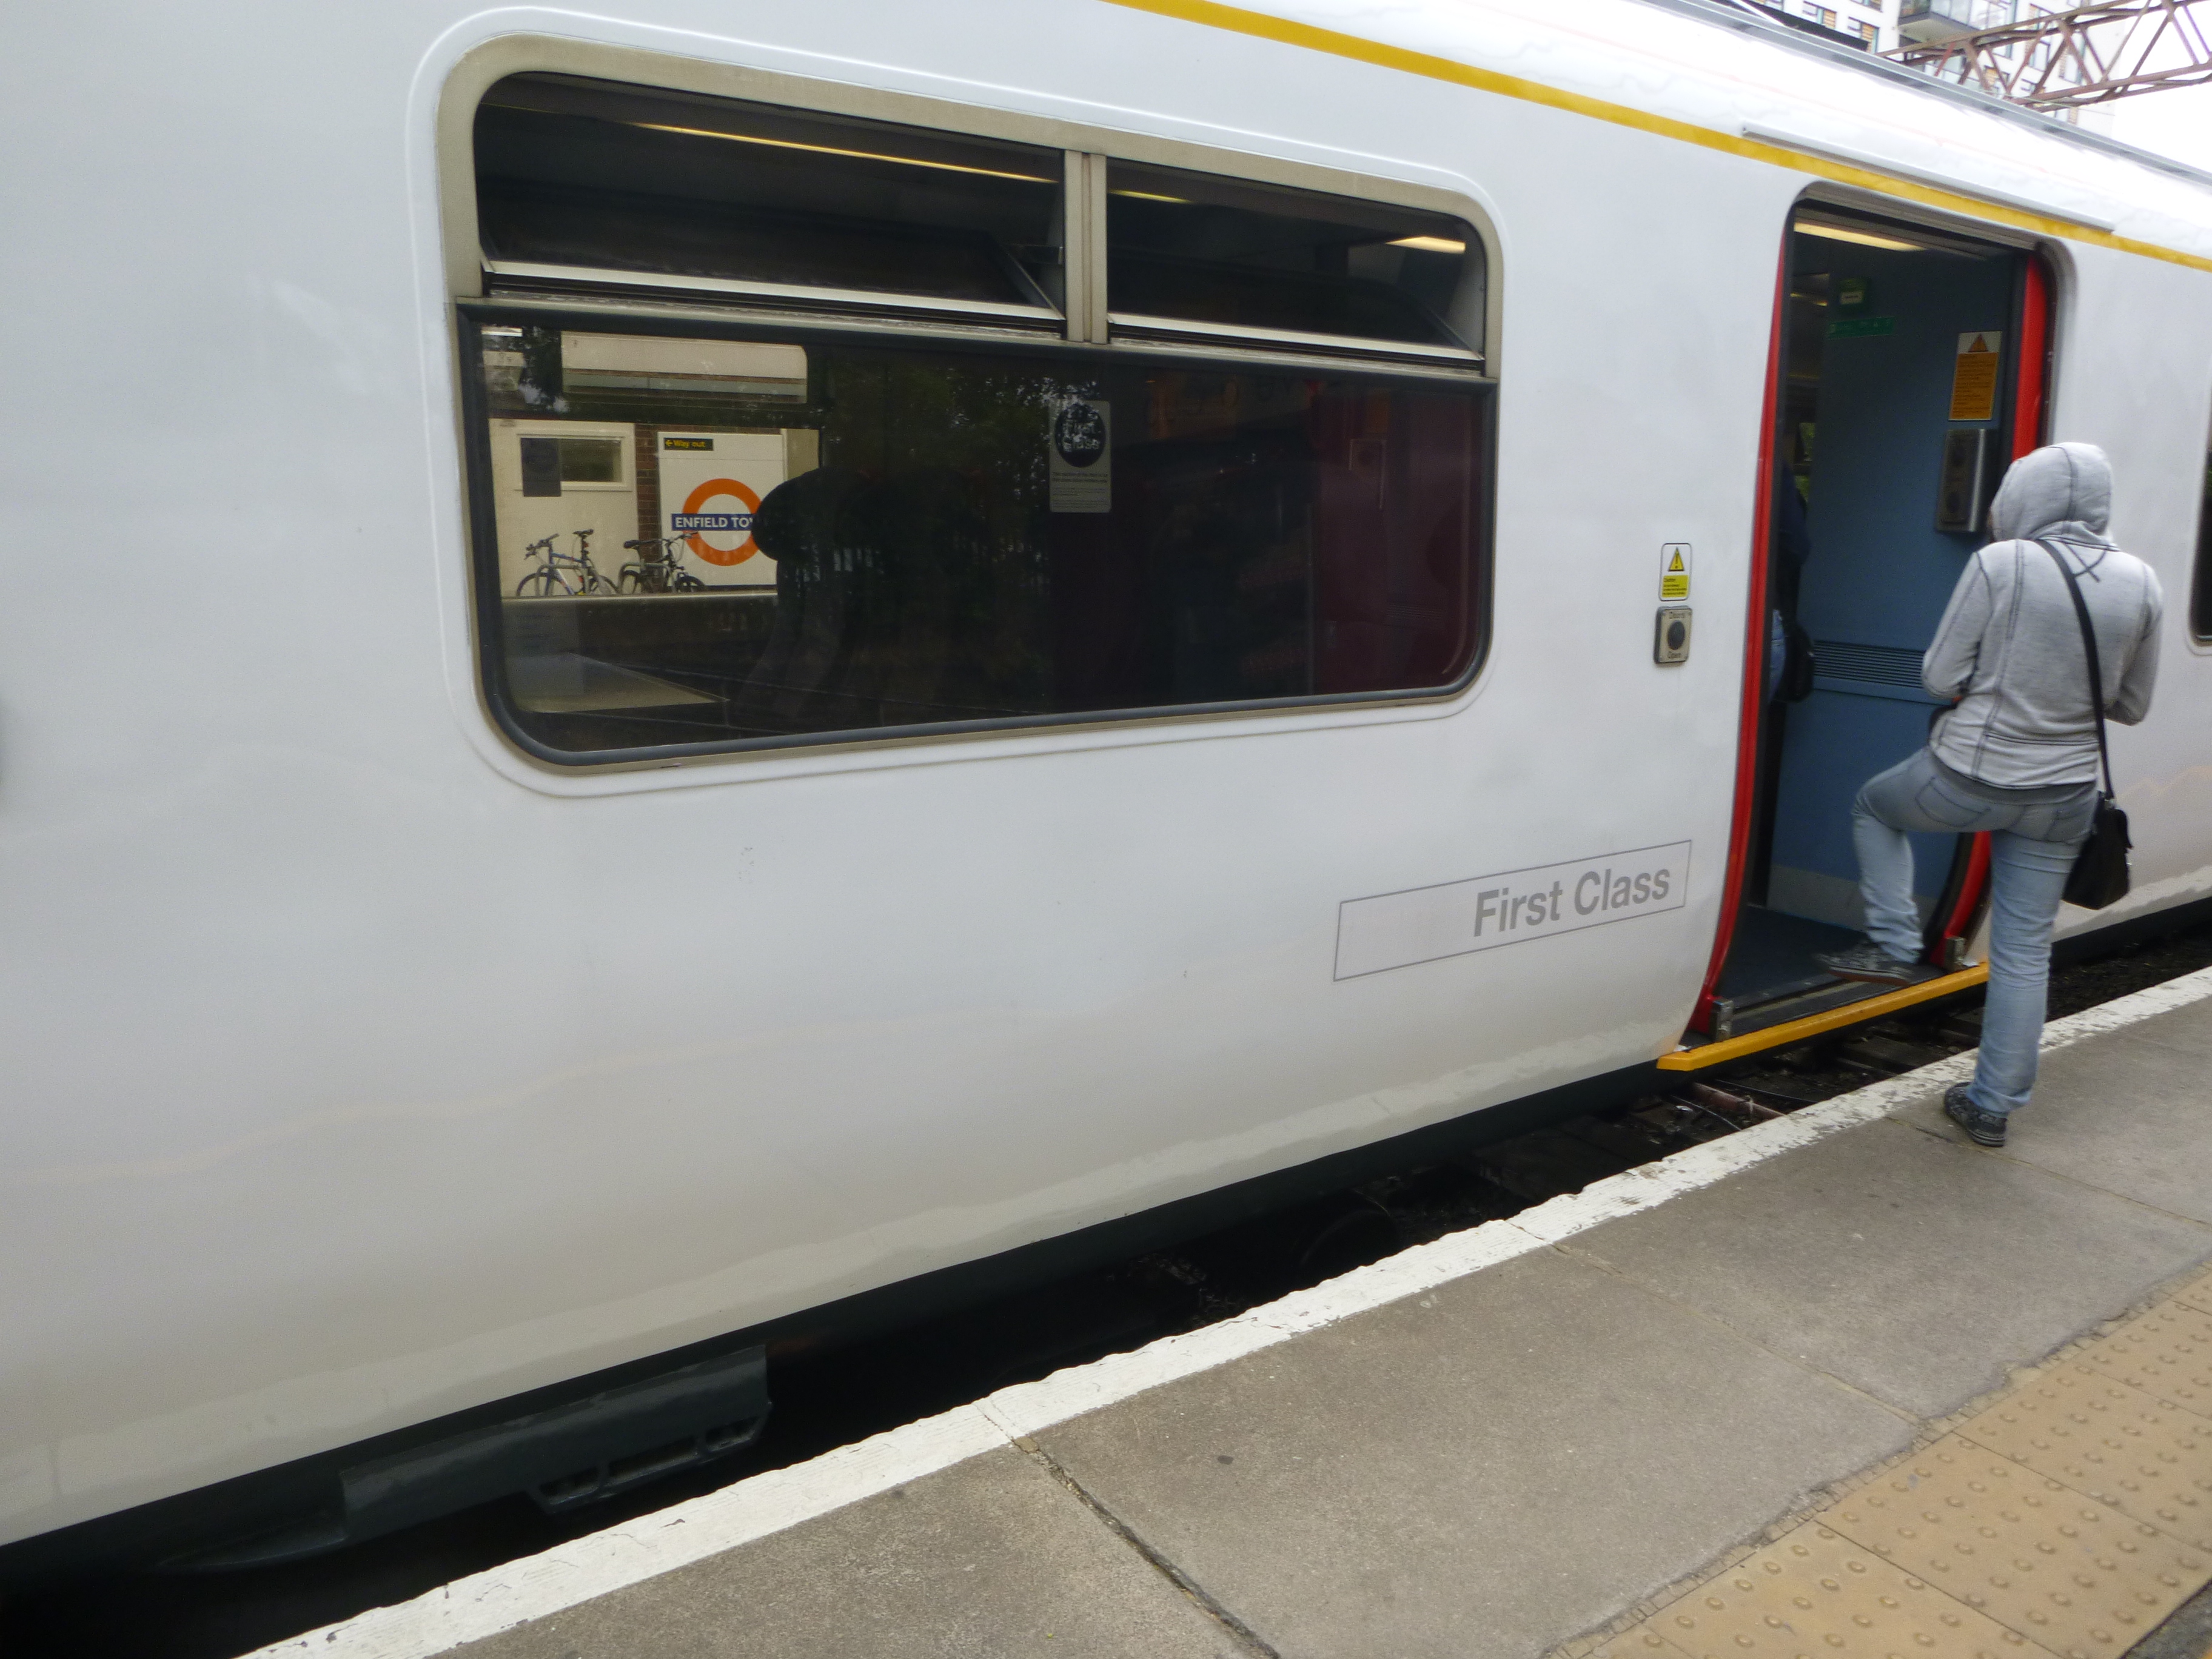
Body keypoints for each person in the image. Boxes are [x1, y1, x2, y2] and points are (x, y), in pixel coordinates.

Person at [1814, 442, 2162, 1148]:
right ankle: (1991, 1106)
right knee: (2024, 952)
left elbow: (1939, 677)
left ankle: (1894, 944)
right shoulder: (2142, 581)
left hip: (1970, 776)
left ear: (2026, 495)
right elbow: (2131, 706)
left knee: (1874, 808)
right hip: (2064, 796)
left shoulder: (2003, 563)